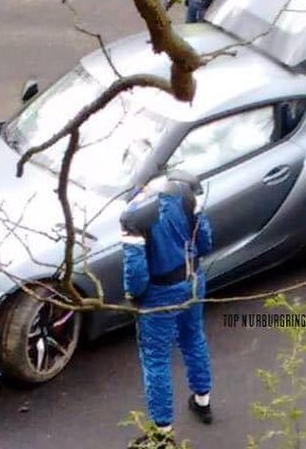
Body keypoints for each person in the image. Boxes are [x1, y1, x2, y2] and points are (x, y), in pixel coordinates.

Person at [120, 171, 215, 448]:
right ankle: (203, 401)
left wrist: (133, 296)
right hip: (193, 281)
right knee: (193, 338)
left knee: (156, 360)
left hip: (159, 296)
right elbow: (206, 239)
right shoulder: (184, 194)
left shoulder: (133, 217)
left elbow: (136, 271)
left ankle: (162, 433)